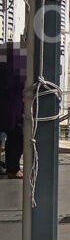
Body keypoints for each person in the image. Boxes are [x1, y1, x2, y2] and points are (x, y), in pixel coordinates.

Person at [0, 44, 25, 178]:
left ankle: (12, 168)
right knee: (16, 134)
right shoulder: (15, 67)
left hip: (9, 107)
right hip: (11, 109)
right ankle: (13, 168)